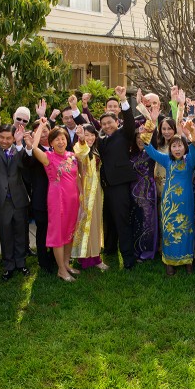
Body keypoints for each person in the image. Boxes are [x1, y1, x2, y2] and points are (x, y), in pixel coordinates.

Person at [144, 118, 195, 275]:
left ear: (184, 147)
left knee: (188, 230)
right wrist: (150, 124)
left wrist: (190, 133)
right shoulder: (166, 159)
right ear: (170, 149)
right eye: (173, 146)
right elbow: (149, 148)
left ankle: (187, 260)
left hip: (186, 203)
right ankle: (169, 261)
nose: (177, 149)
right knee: (169, 230)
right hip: (169, 204)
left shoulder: (190, 160)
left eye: (180, 145)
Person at [28, 122, 80, 282]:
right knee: (58, 234)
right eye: (56, 139)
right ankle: (61, 270)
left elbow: (77, 178)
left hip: (73, 200)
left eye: (63, 138)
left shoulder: (72, 156)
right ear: (51, 143)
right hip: (58, 200)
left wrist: (81, 197)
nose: (60, 142)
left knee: (70, 232)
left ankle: (66, 263)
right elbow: (34, 147)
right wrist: (41, 129)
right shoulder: (48, 158)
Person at [97, 86, 138, 270]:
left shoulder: (124, 134)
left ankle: (128, 258)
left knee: (122, 220)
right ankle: (110, 249)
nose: (106, 126)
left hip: (120, 185)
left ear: (116, 121)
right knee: (109, 219)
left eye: (109, 122)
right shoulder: (101, 139)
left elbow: (130, 122)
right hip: (105, 185)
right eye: (103, 124)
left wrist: (123, 100)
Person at [0, 123, 31, 280]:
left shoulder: (17, 150)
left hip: (19, 199)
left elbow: (23, 165)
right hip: (2, 201)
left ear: (13, 138)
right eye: (2, 137)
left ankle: (21, 263)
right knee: (5, 234)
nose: (5, 141)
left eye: (8, 138)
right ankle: (8, 265)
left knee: (20, 232)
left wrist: (20, 143)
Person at [71, 124, 108, 271]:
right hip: (85, 191)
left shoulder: (95, 150)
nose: (90, 137)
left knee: (96, 223)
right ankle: (85, 257)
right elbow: (82, 153)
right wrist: (81, 140)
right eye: (87, 135)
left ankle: (95, 255)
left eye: (92, 134)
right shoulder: (79, 148)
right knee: (86, 223)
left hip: (97, 190)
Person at [23, 118, 57, 274]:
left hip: (59, 198)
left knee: (56, 228)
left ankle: (57, 257)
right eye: (38, 131)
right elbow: (28, 162)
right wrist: (30, 147)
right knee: (43, 229)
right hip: (41, 198)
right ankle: (44, 261)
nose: (42, 133)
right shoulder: (32, 151)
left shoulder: (59, 146)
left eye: (44, 129)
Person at [130, 128, 158, 262]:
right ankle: (135, 250)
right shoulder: (132, 154)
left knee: (148, 221)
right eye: (137, 138)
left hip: (148, 192)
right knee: (136, 220)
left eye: (143, 137)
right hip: (133, 192)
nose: (140, 140)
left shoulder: (151, 153)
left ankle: (146, 252)